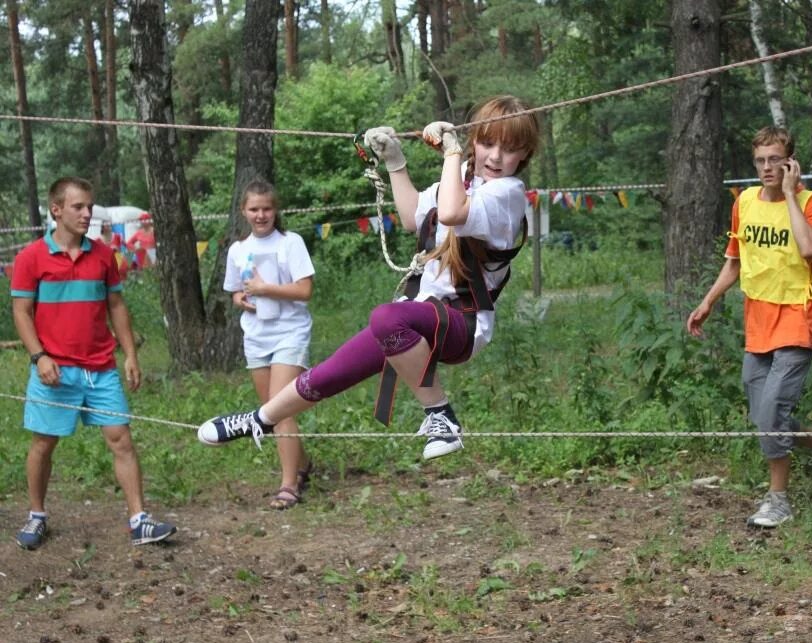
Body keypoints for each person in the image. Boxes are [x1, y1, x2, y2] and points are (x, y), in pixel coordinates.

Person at [196, 95, 539, 460]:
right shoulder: (463, 183)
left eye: (510, 148)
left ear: (524, 156)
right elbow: (412, 219)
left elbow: (452, 213)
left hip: (462, 324)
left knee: (386, 318)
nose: (496, 156)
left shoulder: (508, 193)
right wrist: (395, 162)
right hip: (423, 313)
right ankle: (258, 420)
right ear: (475, 141)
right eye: (487, 143)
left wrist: (452, 155)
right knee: (331, 372)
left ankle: (441, 416)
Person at [686, 126, 812, 528]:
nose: (767, 167)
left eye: (775, 159)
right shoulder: (744, 203)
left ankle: (778, 500)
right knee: (764, 416)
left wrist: (791, 195)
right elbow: (735, 261)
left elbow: (809, 247)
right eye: (760, 160)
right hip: (757, 321)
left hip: (797, 318)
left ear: (791, 162)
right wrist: (708, 301)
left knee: (773, 410)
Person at [9, 177, 176, 550]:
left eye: (90, 207)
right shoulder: (31, 257)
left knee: (122, 441)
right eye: (78, 207)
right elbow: (21, 312)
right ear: (56, 210)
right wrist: (39, 357)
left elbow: (116, 306)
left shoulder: (103, 255)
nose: (87, 214)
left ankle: (139, 521)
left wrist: (130, 354)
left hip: (100, 368)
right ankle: (37, 515)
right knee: (43, 444)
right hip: (53, 371)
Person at [225, 180, 316, 510]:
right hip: (256, 336)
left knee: (280, 407)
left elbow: (305, 290)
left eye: (266, 208)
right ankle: (302, 464)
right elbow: (236, 291)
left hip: (290, 332)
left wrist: (266, 290)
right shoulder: (237, 250)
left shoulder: (290, 243)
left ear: (275, 211)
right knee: (271, 411)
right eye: (254, 209)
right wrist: (243, 300)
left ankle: (289, 485)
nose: (261, 215)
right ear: (243, 211)